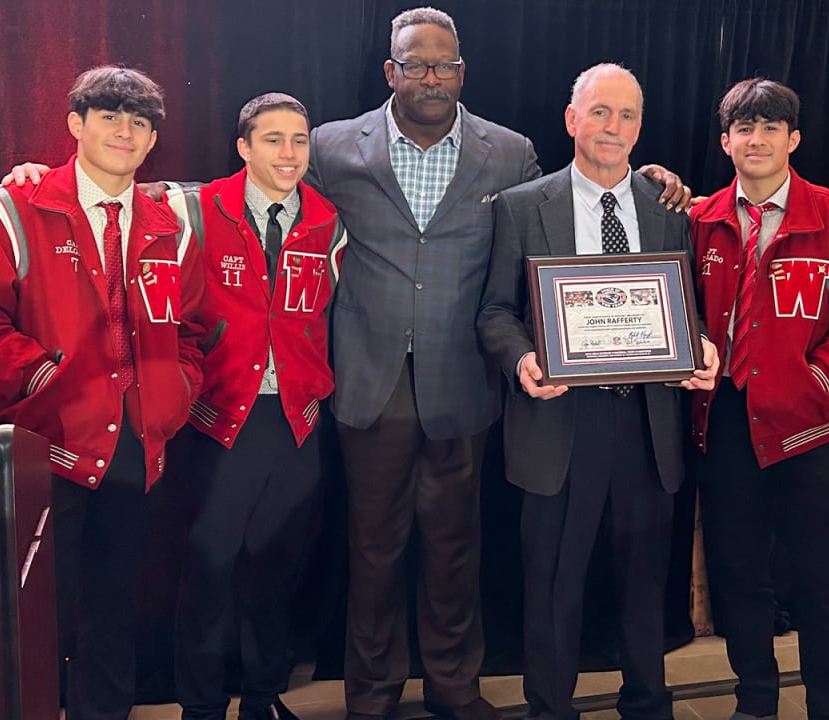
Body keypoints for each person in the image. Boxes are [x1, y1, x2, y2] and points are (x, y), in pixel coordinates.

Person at [306, 9, 688, 720]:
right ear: (390, 71)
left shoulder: (508, 153)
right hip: (369, 377)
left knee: (455, 549)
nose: (431, 77)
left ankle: (454, 688)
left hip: (465, 380)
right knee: (372, 550)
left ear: (463, 71)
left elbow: (567, 217)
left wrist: (651, 177)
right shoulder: (331, 148)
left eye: (445, 64)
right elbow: (255, 181)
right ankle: (372, 696)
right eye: (416, 64)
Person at [0, 66, 204, 720]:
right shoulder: (9, 209)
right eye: (109, 116)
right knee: (36, 617)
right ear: (75, 125)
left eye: (140, 122)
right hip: (40, 449)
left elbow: (191, 330)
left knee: (113, 611)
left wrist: (175, 391)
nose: (125, 131)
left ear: (153, 138)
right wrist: (41, 378)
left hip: (136, 447)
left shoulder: (172, 225)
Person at [477, 62, 717, 720]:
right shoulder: (525, 207)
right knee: (553, 584)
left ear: (641, 126)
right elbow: (495, 312)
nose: (614, 127)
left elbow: (680, 308)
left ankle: (648, 703)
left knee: (645, 582)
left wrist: (700, 347)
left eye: (628, 115)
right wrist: (523, 357)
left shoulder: (667, 210)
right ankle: (550, 708)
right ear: (571, 120)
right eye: (601, 112)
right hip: (561, 422)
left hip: (646, 421)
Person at [689, 78, 829, 720]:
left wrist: (812, 387)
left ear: (794, 139)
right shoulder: (700, 222)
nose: (758, 139)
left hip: (811, 430)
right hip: (728, 425)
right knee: (740, 574)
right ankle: (755, 701)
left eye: (772, 128)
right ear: (726, 142)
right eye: (745, 128)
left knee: (821, 581)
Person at [164, 93, 345, 720]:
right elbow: (110, 191)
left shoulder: (328, 221)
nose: (289, 153)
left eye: (299, 140)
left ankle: (264, 698)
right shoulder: (195, 206)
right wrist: (29, 176)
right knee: (210, 568)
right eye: (273, 140)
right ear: (244, 147)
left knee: (277, 567)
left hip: (294, 419)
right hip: (219, 417)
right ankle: (202, 705)